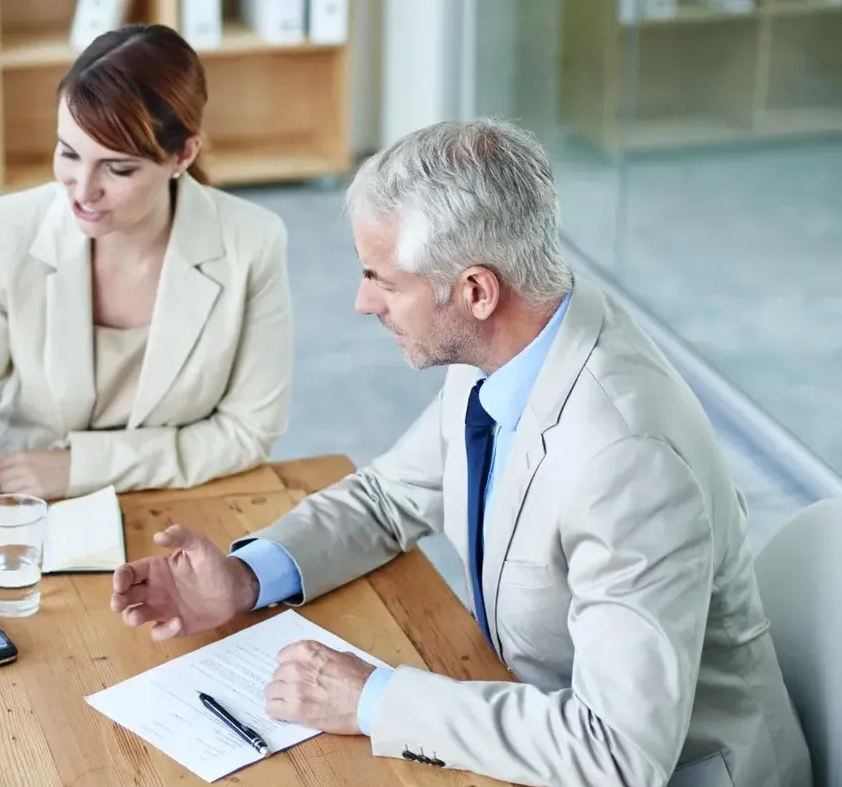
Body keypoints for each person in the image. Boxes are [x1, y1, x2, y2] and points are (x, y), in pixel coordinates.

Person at [107, 120, 812, 787]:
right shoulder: (512, 344)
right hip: (535, 720)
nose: (360, 300)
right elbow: (389, 497)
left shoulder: (625, 460)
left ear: (475, 290)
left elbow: (618, 751)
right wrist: (240, 578)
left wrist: (374, 699)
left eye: (381, 278)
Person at [0, 24, 293, 535]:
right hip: (24, 504)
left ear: (183, 155)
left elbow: (248, 431)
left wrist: (81, 467)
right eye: (69, 154)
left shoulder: (252, 242)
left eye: (118, 170)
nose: (83, 191)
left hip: (178, 504)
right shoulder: (5, 233)